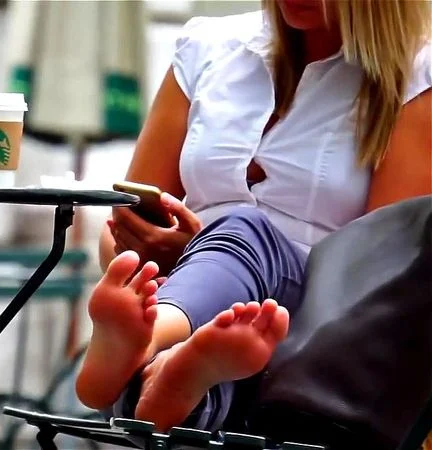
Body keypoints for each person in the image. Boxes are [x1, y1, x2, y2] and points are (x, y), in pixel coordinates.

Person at [75, 0, 432, 435]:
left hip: (316, 325)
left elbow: (380, 277)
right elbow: (117, 241)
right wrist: (144, 253)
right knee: (211, 357)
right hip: (224, 329)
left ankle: (146, 341)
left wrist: (194, 248)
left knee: (246, 232)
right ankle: (166, 371)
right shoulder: (205, 49)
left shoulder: (417, 77)